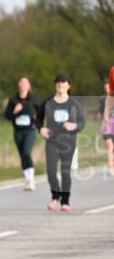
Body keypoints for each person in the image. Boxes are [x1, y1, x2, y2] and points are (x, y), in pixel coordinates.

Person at [38, 73, 86, 211]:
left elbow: (82, 122)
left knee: (65, 172)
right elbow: (38, 118)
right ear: (55, 85)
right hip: (52, 141)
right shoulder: (48, 102)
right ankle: (55, 196)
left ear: (68, 86)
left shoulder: (73, 103)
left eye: (64, 82)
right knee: (51, 172)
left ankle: (65, 201)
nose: (60, 84)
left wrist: (74, 126)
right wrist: (40, 128)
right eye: (58, 82)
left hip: (68, 142)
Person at [3, 77, 41, 191]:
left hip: (30, 130)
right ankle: (27, 179)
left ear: (29, 86)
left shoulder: (34, 99)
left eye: (25, 83)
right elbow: (7, 116)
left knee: (26, 152)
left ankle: (31, 180)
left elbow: (42, 112)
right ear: (18, 85)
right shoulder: (13, 100)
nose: (23, 85)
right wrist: (14, 111)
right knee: (22, 155)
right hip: (18, 131)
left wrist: (37, 118)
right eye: (21, 82)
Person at [101, 82, 114, 177]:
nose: (107, 89)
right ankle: (111, 168)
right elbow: (101, 113)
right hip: (108, 124)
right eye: (105, 88)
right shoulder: (102, 99)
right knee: (109, 146)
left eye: (108, 87)